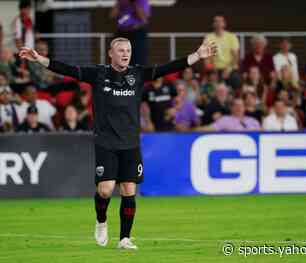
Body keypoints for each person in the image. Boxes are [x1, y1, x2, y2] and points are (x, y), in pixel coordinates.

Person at [19, 38, 217, 249]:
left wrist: (197, 56)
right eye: (121, 50)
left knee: (128, 190)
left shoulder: (137, 74)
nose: (125, 54)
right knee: (105, 190)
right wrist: (39, 59)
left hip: (130, 143)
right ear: (110, 54)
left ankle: (124, 238)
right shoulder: (98, 74)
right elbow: (68, 70)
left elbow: (167, 68)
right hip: (106, 142)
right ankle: (101, 221)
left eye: (128, 50)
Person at [204, 15, 240, 88]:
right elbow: (206, 58)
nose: (218, 23)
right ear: (213, 24)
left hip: (229, 68)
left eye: (220, 21)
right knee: (209, 84)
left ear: (224, 24)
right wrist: (213, 70)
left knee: (236, 80)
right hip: (214, 69)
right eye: (216, 21)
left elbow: (236, 56)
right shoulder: (208, 37)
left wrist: (228, 69)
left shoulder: (231, 37)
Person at [111, 0, 151, 66]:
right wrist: (119, 4)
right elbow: (112, 16)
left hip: (136, 33)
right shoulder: (121, 1)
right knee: (118, 59)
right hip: (121, 32)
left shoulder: (142, 1)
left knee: (138, 59)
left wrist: (134, 3)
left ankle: (136, 75)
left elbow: (144, 19)